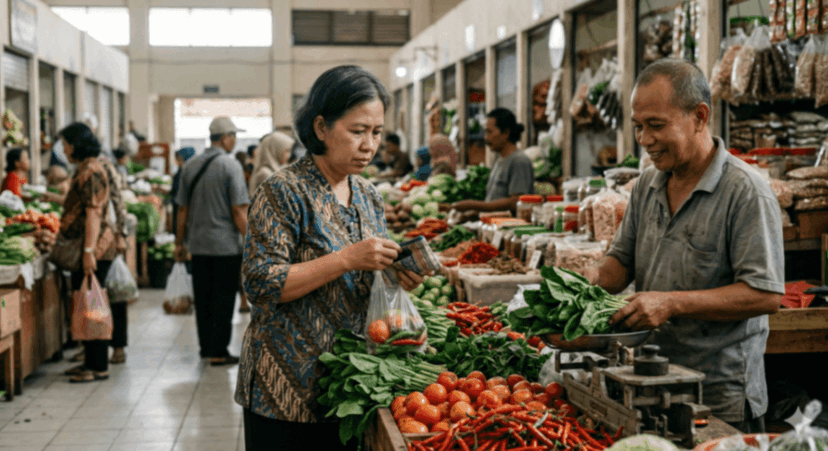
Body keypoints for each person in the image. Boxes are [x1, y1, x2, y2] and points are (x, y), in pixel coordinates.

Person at [583, 58, 783, 432]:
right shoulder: (647, 186)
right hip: (650, 379)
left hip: (720, 395)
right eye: (638, 127)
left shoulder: (745, 192)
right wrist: (583, 283)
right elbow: (621, 262)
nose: (644, 140)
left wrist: (671, 302)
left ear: (700, 117)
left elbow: (764, 295)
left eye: (656, 126)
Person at [235, 65, 426, 450]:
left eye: (376, 132)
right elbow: (260, 282)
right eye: (357, 131)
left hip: (351, 384)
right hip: (287, 389)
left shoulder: (368, 195)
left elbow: (368, 272)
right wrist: (345, 259)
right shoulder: (284, 191)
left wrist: (396, 275)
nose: (369, 145)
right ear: (321, 128)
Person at [174, 118, 249, 366]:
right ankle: (219, 351)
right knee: (223, 299)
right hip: (225, 246)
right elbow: (239, 210)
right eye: (233, 136)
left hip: (198, 245)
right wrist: (251, 241)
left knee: (203, 297)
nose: (234, 140)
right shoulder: (231, 166)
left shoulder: (190, 165)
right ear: (225, 137)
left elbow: (181, 210)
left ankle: (206, 348)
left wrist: (179, 242)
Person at [57, 122, 120, 383]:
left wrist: (88, 251)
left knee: (93, 304)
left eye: (65, 144)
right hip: (91, 246)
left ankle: (97, 366)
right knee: (87, 303)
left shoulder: (91, 171)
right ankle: (90, 361)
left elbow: (93, 213)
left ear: (75, 145)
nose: (63, 149)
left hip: (95, 248)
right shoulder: (86, 169)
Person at [450, 108, 534, 213]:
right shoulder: (499, 159)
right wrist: (474, 213)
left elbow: (516, 201)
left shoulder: (519, 161)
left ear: (506, 132)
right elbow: (493, 199)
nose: (486, 138)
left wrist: (473, 205)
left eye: (489, 132)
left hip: (509, 227)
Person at [248, 131, 295, 196]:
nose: (288, 155)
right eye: (286, 151)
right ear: (275, 150)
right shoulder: (265, 173)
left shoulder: (273, 170)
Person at [170, 147, 195, 243]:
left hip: (182, 206)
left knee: (182, 229)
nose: (177, 161)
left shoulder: (186, 172)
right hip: (178, 204)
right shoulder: (182, 171)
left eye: (179, 159)